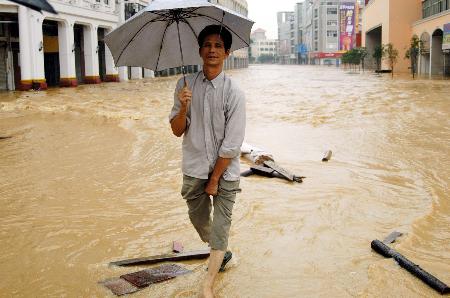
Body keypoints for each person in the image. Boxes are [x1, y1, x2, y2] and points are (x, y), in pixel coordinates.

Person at [169, 25, 246, 298]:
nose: (212, 50)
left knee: (221, 226)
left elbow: (233, 143)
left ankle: (208, 285)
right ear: (200, 50)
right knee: (200, 222)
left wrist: (215, 179)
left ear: (226, 53)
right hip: (194, 167)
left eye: (218, 46)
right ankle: (220, 252)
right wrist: (184, 107)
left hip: (225, 172)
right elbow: (177, 130)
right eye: (207, 45)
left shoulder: (234, 92)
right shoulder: (184, 85)